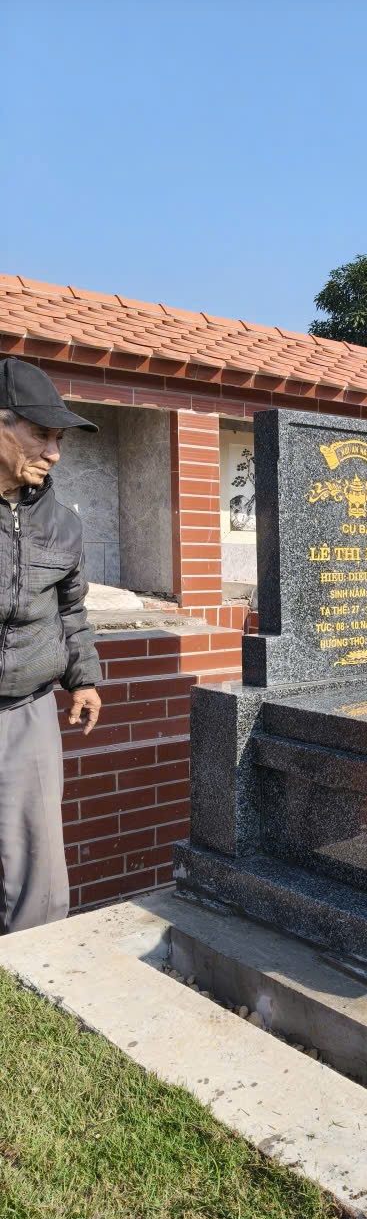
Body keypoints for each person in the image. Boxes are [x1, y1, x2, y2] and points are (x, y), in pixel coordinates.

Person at [0, 358, 103, 934]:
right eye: (41, 434)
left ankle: (32, 972)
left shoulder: (63, 524)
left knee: (40, 879)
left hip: (27, 708)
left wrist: (82, 678)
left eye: (60, 439)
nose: (54, 453)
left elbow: (71, 610)